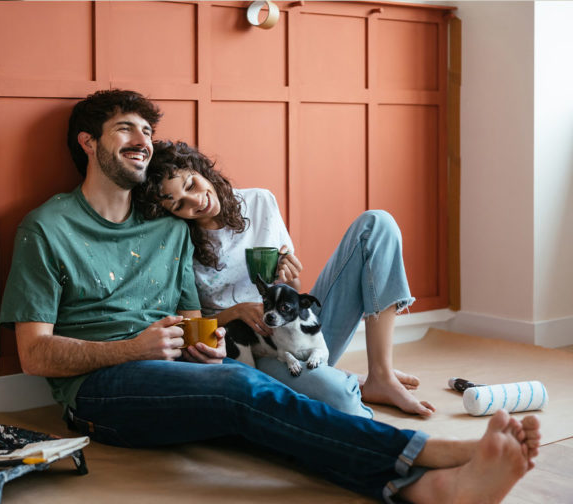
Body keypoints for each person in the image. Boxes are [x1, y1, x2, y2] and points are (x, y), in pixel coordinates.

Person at [0, 88, 541, 504]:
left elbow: (193, 318)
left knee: (268, 413)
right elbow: (33, 354)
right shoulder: (47, 229)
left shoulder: (168, 225)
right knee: (248, 392)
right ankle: (434, 453)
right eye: (125, 129)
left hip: (182, 370)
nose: (142, 140)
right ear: (88, 143)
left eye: (147, 130)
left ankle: (433, 491)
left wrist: (204, 341)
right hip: (102, 390)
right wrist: (133, 348)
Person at [134, 141, 434, 418]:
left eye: (191, 184)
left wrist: (287, 277)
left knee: (377, 223)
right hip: (252, 348)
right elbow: (194, 329)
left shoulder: (260, 202)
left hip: (299, 326)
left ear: (199, 169)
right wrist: (237, 312)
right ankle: (343, 381)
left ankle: (381, 374)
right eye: (178, 204)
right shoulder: (177, 239)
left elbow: (294, 292)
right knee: (341, 401)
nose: (195, 201)